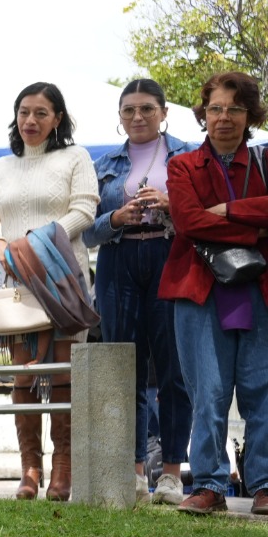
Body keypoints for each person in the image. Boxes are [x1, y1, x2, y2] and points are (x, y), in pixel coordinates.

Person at [0, 82, 98, 501]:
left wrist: (37, 243)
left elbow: (84, 208)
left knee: (62, 376)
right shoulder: (0, 167)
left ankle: (64, 468)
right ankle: (30, 468)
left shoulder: (75, 157)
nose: (31, 120)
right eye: (24, 112)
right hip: (14, 283)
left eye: (41, 113)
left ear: (58, 118)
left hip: (62, 276)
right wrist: (3, 247)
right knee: (23, 377)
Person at [159, 70, 268, 516]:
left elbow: (206, 219)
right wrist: (254, 228)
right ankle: (208, 483)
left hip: (259, 287)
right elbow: (187, 222)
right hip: (198, 287)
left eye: (235, 108)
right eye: (216, 108)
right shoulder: (182, 165)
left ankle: (263, 484)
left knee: (263, 388)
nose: (224, 117)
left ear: (250, 115)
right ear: (203, 114)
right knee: (207, 391)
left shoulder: (264, 162)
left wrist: (227, 210)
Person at [84, 80, 195, 505]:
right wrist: (116, 216)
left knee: (173, 369)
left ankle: (170, 473)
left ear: (164, 112)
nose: (137, 117)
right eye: (128, 110)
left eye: (146, 108)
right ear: (119, 116)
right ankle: (130, 472)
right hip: (119, 260)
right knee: (123, 366)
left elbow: (200, 215)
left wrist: (171, 205)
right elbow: (87, 232)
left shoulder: (187, 155)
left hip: (170, 254)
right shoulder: (103, 163)